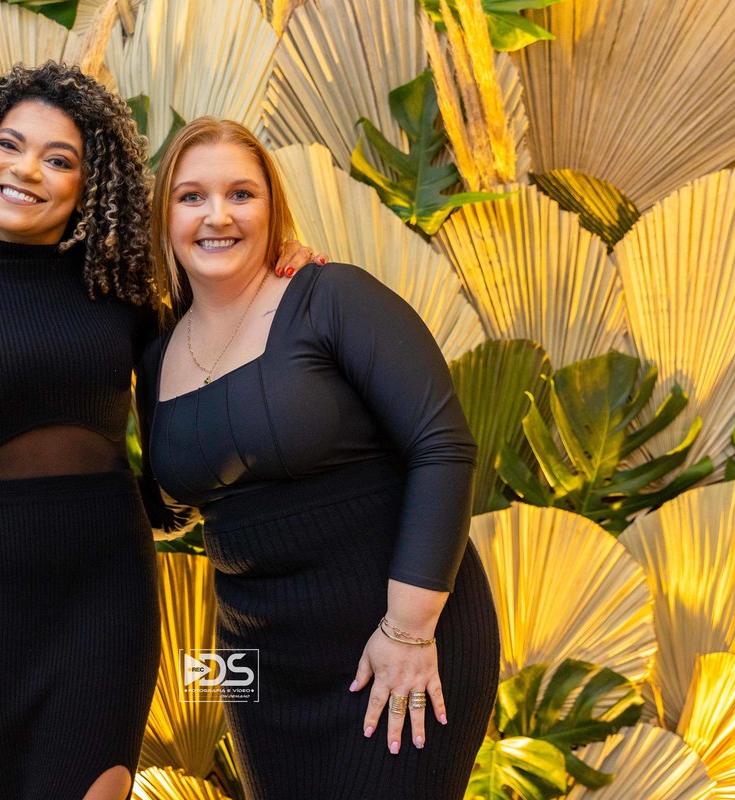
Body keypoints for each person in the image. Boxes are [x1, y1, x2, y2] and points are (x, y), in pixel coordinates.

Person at [0, 65, 315, 800]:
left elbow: (211, 363)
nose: (27, 170)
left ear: (89, 185)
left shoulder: (123, 291)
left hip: (106, 587)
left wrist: (279, 276)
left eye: (59, 159)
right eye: (9, 145)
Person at [136, 117, 501, 799]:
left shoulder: (332, 297)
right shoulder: (156, 355)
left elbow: (441, 447)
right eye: (191, 196)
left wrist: (409, 630)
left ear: (272, 206)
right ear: (165, 216)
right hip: (260, 668)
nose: (218, 215)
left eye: (241, 194)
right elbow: (170, 507)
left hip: (393, 642)